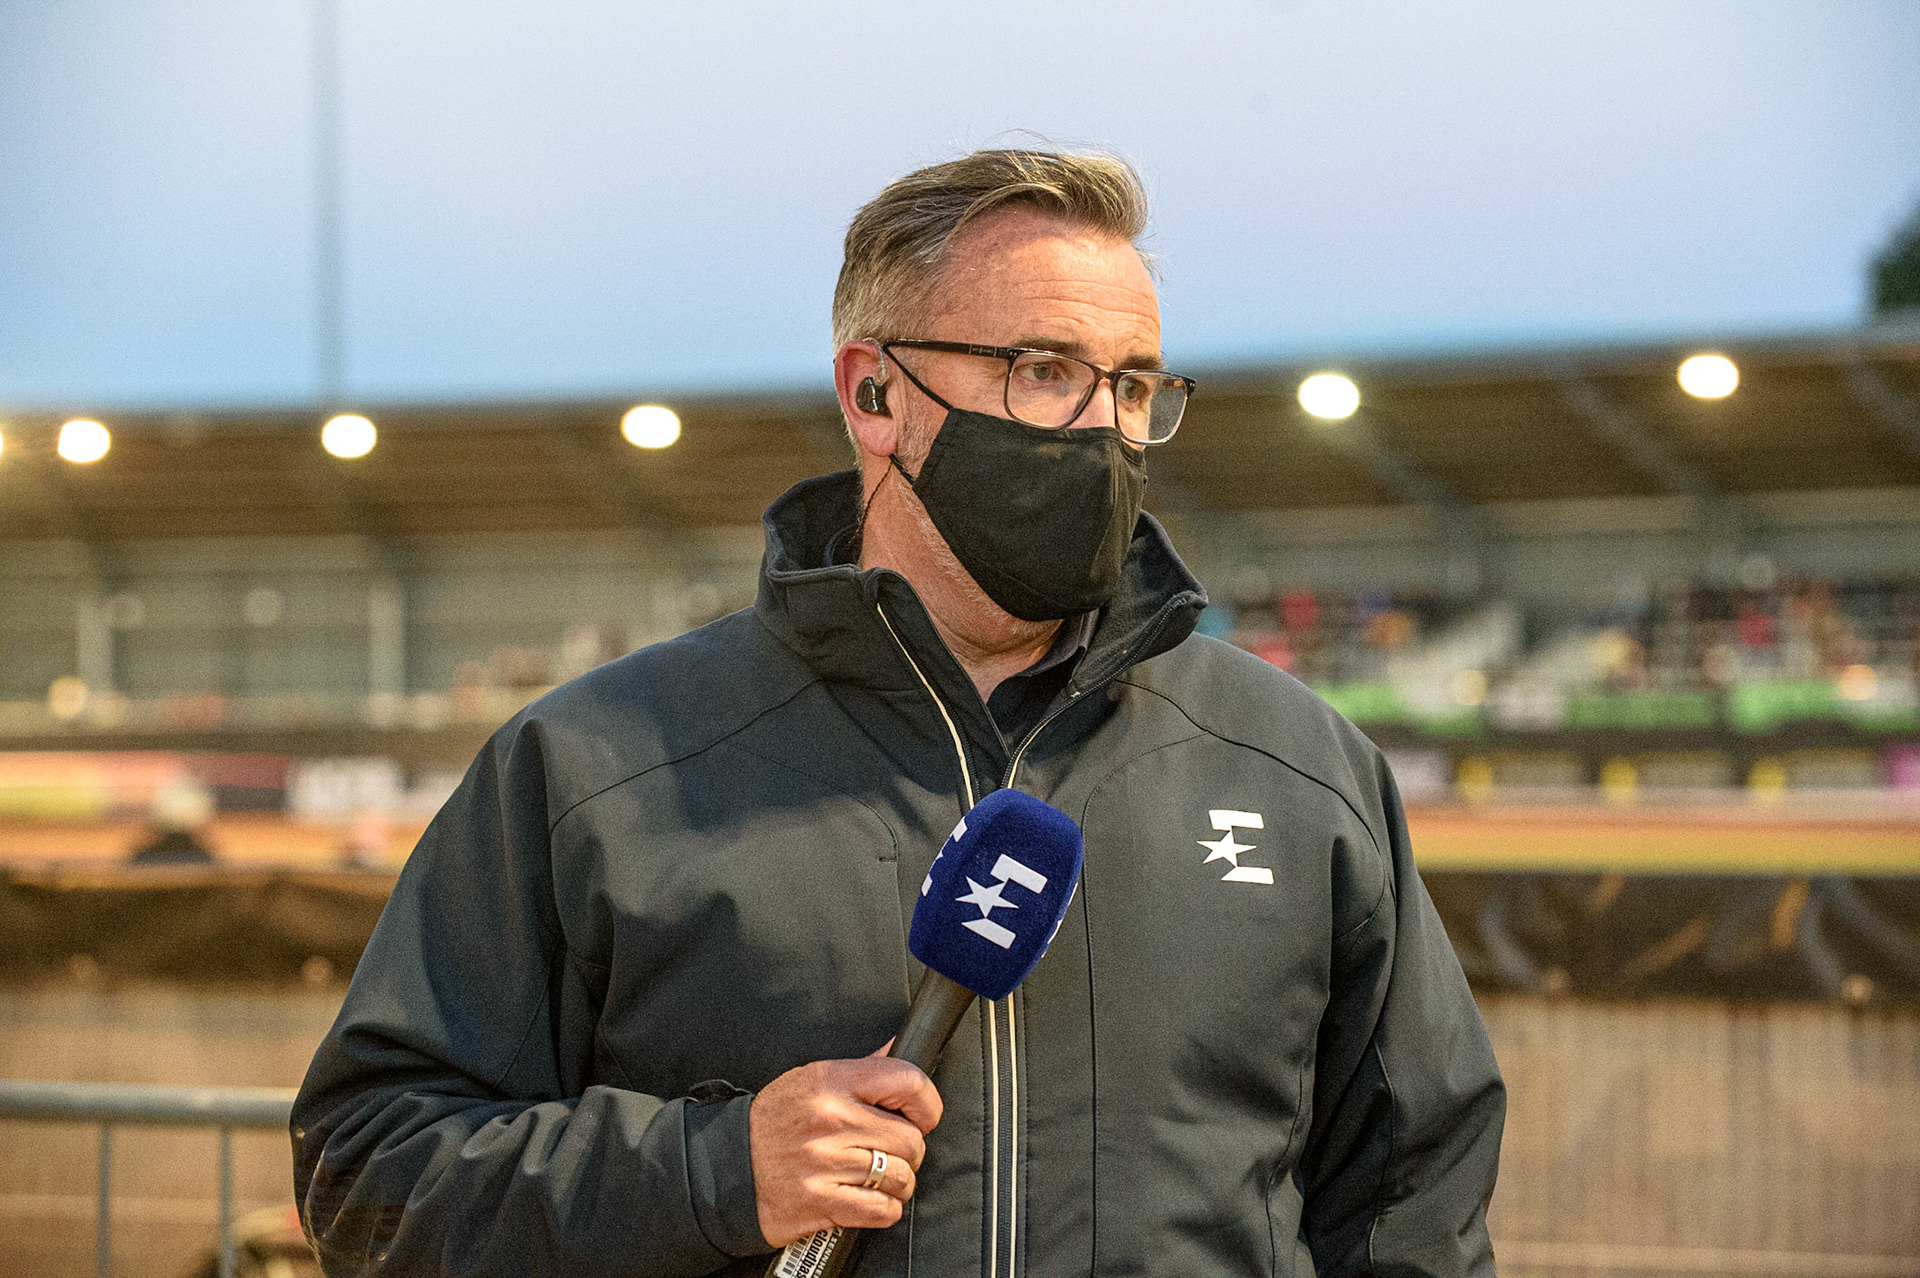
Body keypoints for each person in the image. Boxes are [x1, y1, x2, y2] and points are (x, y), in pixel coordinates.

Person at [292, 147, 1504, 1278]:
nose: (1103, 428)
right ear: (876, 394)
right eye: (1041, 371)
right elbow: (370, 1171)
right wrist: (713, 1174)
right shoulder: (596, 766)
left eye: (1134, 386)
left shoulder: (1298, 766)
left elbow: (1418, 1196)